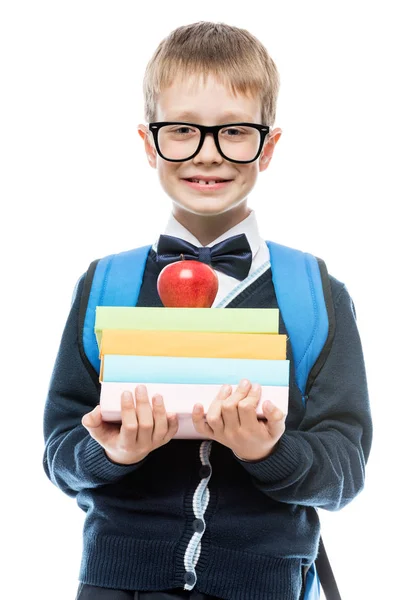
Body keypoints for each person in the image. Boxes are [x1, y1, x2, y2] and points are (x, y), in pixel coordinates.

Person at [42, 21, 373, 600]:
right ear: (149, 144)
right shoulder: (105, 284)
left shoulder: (315, 293)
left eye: (234, 132)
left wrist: (270, 451)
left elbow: (344, 473)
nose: (208, 154)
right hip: (116, 585)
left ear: (267, 147)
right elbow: (59, 453)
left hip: (266, 586)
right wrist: (108, 452)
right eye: (183, 130)